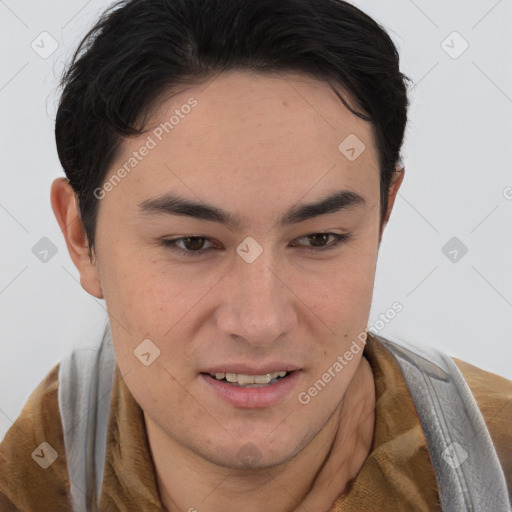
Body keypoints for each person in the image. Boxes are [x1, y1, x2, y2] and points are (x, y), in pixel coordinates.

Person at [1, 0, 510, 510]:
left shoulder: (499, 461)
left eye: (318, 239)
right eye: (192, 243)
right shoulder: (28, 483)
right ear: (80, 238)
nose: (260, 321)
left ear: (383, 216)